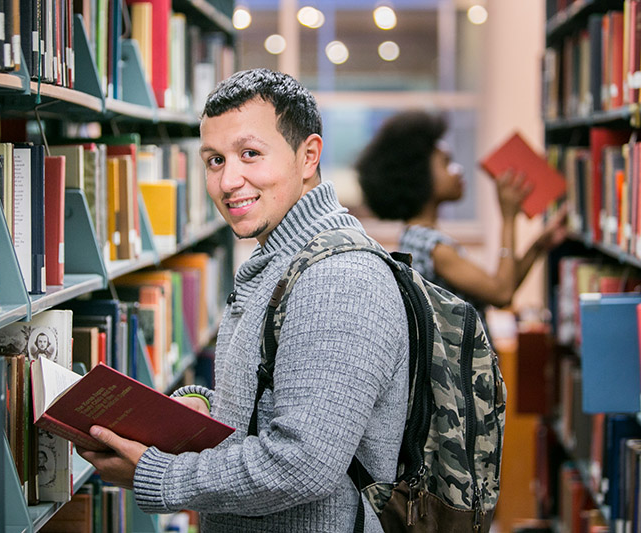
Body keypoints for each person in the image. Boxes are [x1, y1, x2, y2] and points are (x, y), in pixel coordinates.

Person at [78, 68, 410, 532]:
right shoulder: (283, 260)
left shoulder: (339, 278)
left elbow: (303, 463)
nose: (229, 180)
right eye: (214, 160)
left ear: (308, 156)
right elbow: (282, 396)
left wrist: (158, 475)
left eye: (250, 154)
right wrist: (203, 411)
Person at [354, 110, 567, 323]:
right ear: (419, 176)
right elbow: (502, 294)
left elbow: (499, 285)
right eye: (446, 163)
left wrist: (538, 246)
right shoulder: (435, 248)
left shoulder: (415, 238)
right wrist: (508, 217)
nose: (458, 170)